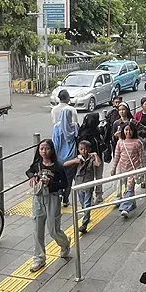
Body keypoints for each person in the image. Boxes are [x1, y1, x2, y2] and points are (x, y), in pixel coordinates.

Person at [25, 139, 72, 271]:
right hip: (38, 199)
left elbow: (64, 184)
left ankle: (65, 243)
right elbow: (29, 171)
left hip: (52, 198)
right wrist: (32, 177)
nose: (44, 152)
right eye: (41, 149)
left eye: (47, 149)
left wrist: (51, 183)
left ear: (52, 150)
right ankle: (39, 258)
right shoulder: (37, 164)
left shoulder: (58, 166)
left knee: (53, 230)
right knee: (37, 229)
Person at [65, 139, 102, 234]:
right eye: (81, 149)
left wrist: (95, 155)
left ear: (89, 149)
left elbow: (98, 164)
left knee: (87, 203)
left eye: (86, 149)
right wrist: (75, 161)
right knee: (82, 202)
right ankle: (86, 215)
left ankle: (84, 224)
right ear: (79, 149)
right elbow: (65, 164)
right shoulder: (77, 158)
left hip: (88, 183)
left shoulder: (91, 158)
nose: (84, 151)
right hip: (79, 183)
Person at [112, 123, 146, 218]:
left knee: (129, 188)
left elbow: (142, 157)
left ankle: (125, 208)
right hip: (122, 169)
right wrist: (114, 168)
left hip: (133, 170)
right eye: (126, 130)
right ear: (123, 131)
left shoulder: (137, 142)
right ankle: (132, 203)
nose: (128, 132)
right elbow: (117, 156)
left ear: (134, 131)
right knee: (127, 188)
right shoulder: (120, 142)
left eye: (130, 130)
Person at [52, 104, 78, 207]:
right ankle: (66, 199)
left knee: (59, 179)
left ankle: (58, 196)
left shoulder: (57, 127)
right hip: (72, 157)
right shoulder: (75, 126)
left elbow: (55, 143)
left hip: (60, 159)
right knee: (68, 180)